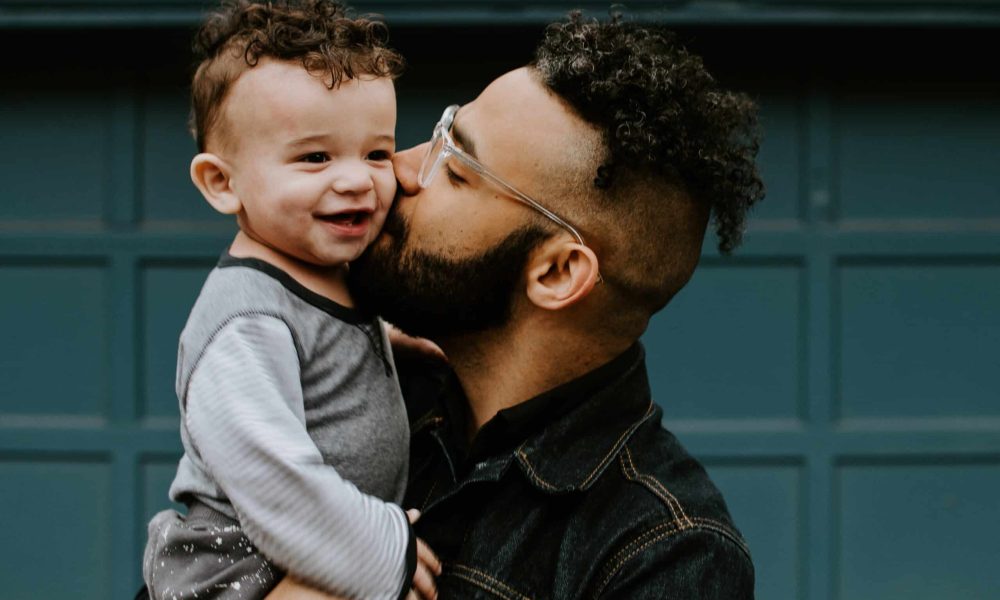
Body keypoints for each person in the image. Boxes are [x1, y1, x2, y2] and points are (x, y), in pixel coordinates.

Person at [271, 9, 765, 600]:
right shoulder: (345, 384)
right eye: (440, 131)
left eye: (454, 168)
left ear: (556, 272)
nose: (396, 170)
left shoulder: (663, 550)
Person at [140, 1, 439, 599]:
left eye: (376, 153)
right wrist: (384, 550)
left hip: (300, 554)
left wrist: (395, 346)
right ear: (222, 183)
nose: (357, 179)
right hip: (234, 571)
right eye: (315, 157)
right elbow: (273, 479)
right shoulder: (246, 321)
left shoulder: (330, 272)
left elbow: (324, 356)